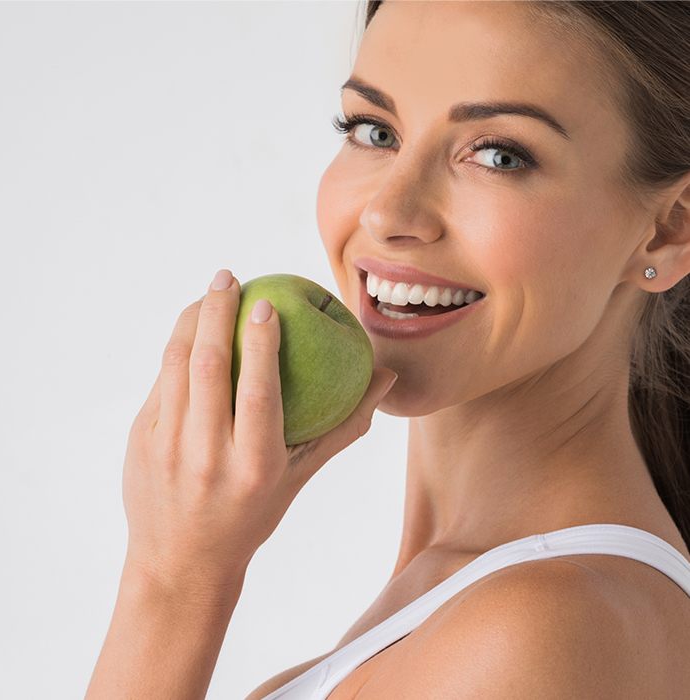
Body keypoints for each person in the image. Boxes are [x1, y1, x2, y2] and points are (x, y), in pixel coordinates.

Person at [86, 1, 690, 698]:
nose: (387, 213)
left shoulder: (539, 629)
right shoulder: (478, 603)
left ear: (668, 230)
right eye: (374, 131)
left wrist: (171, 582)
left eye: (498, 155)